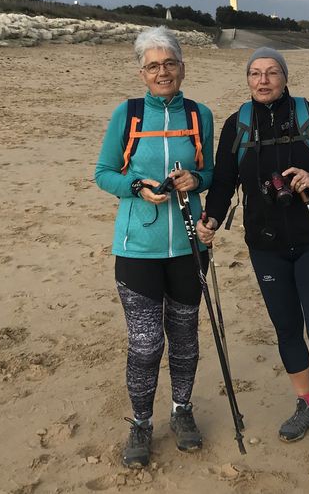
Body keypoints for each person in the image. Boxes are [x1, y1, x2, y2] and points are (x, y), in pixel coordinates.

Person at [197, 47, 309, 475]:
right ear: (247, 80)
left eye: (271, 73)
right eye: (255, 74)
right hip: (264, 243)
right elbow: (224, 180)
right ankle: (307, 405)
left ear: (285, 77)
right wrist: (209, 217)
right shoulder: (236, 125)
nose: (263, 81)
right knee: (286, 329)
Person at [94, 26, 214, 468]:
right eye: (153, 66)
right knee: (145, 345)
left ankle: (182, 412)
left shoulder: (201, 115)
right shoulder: (127, 115)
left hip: (188, 248)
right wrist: (137, 186)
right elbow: (103, 173)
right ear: (141, 72)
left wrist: (196, 180)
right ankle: (141, 422)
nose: (162, 72)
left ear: (182, 67)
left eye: (169, 63)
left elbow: (213, 172)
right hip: (137, 249)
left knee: (184, 338)